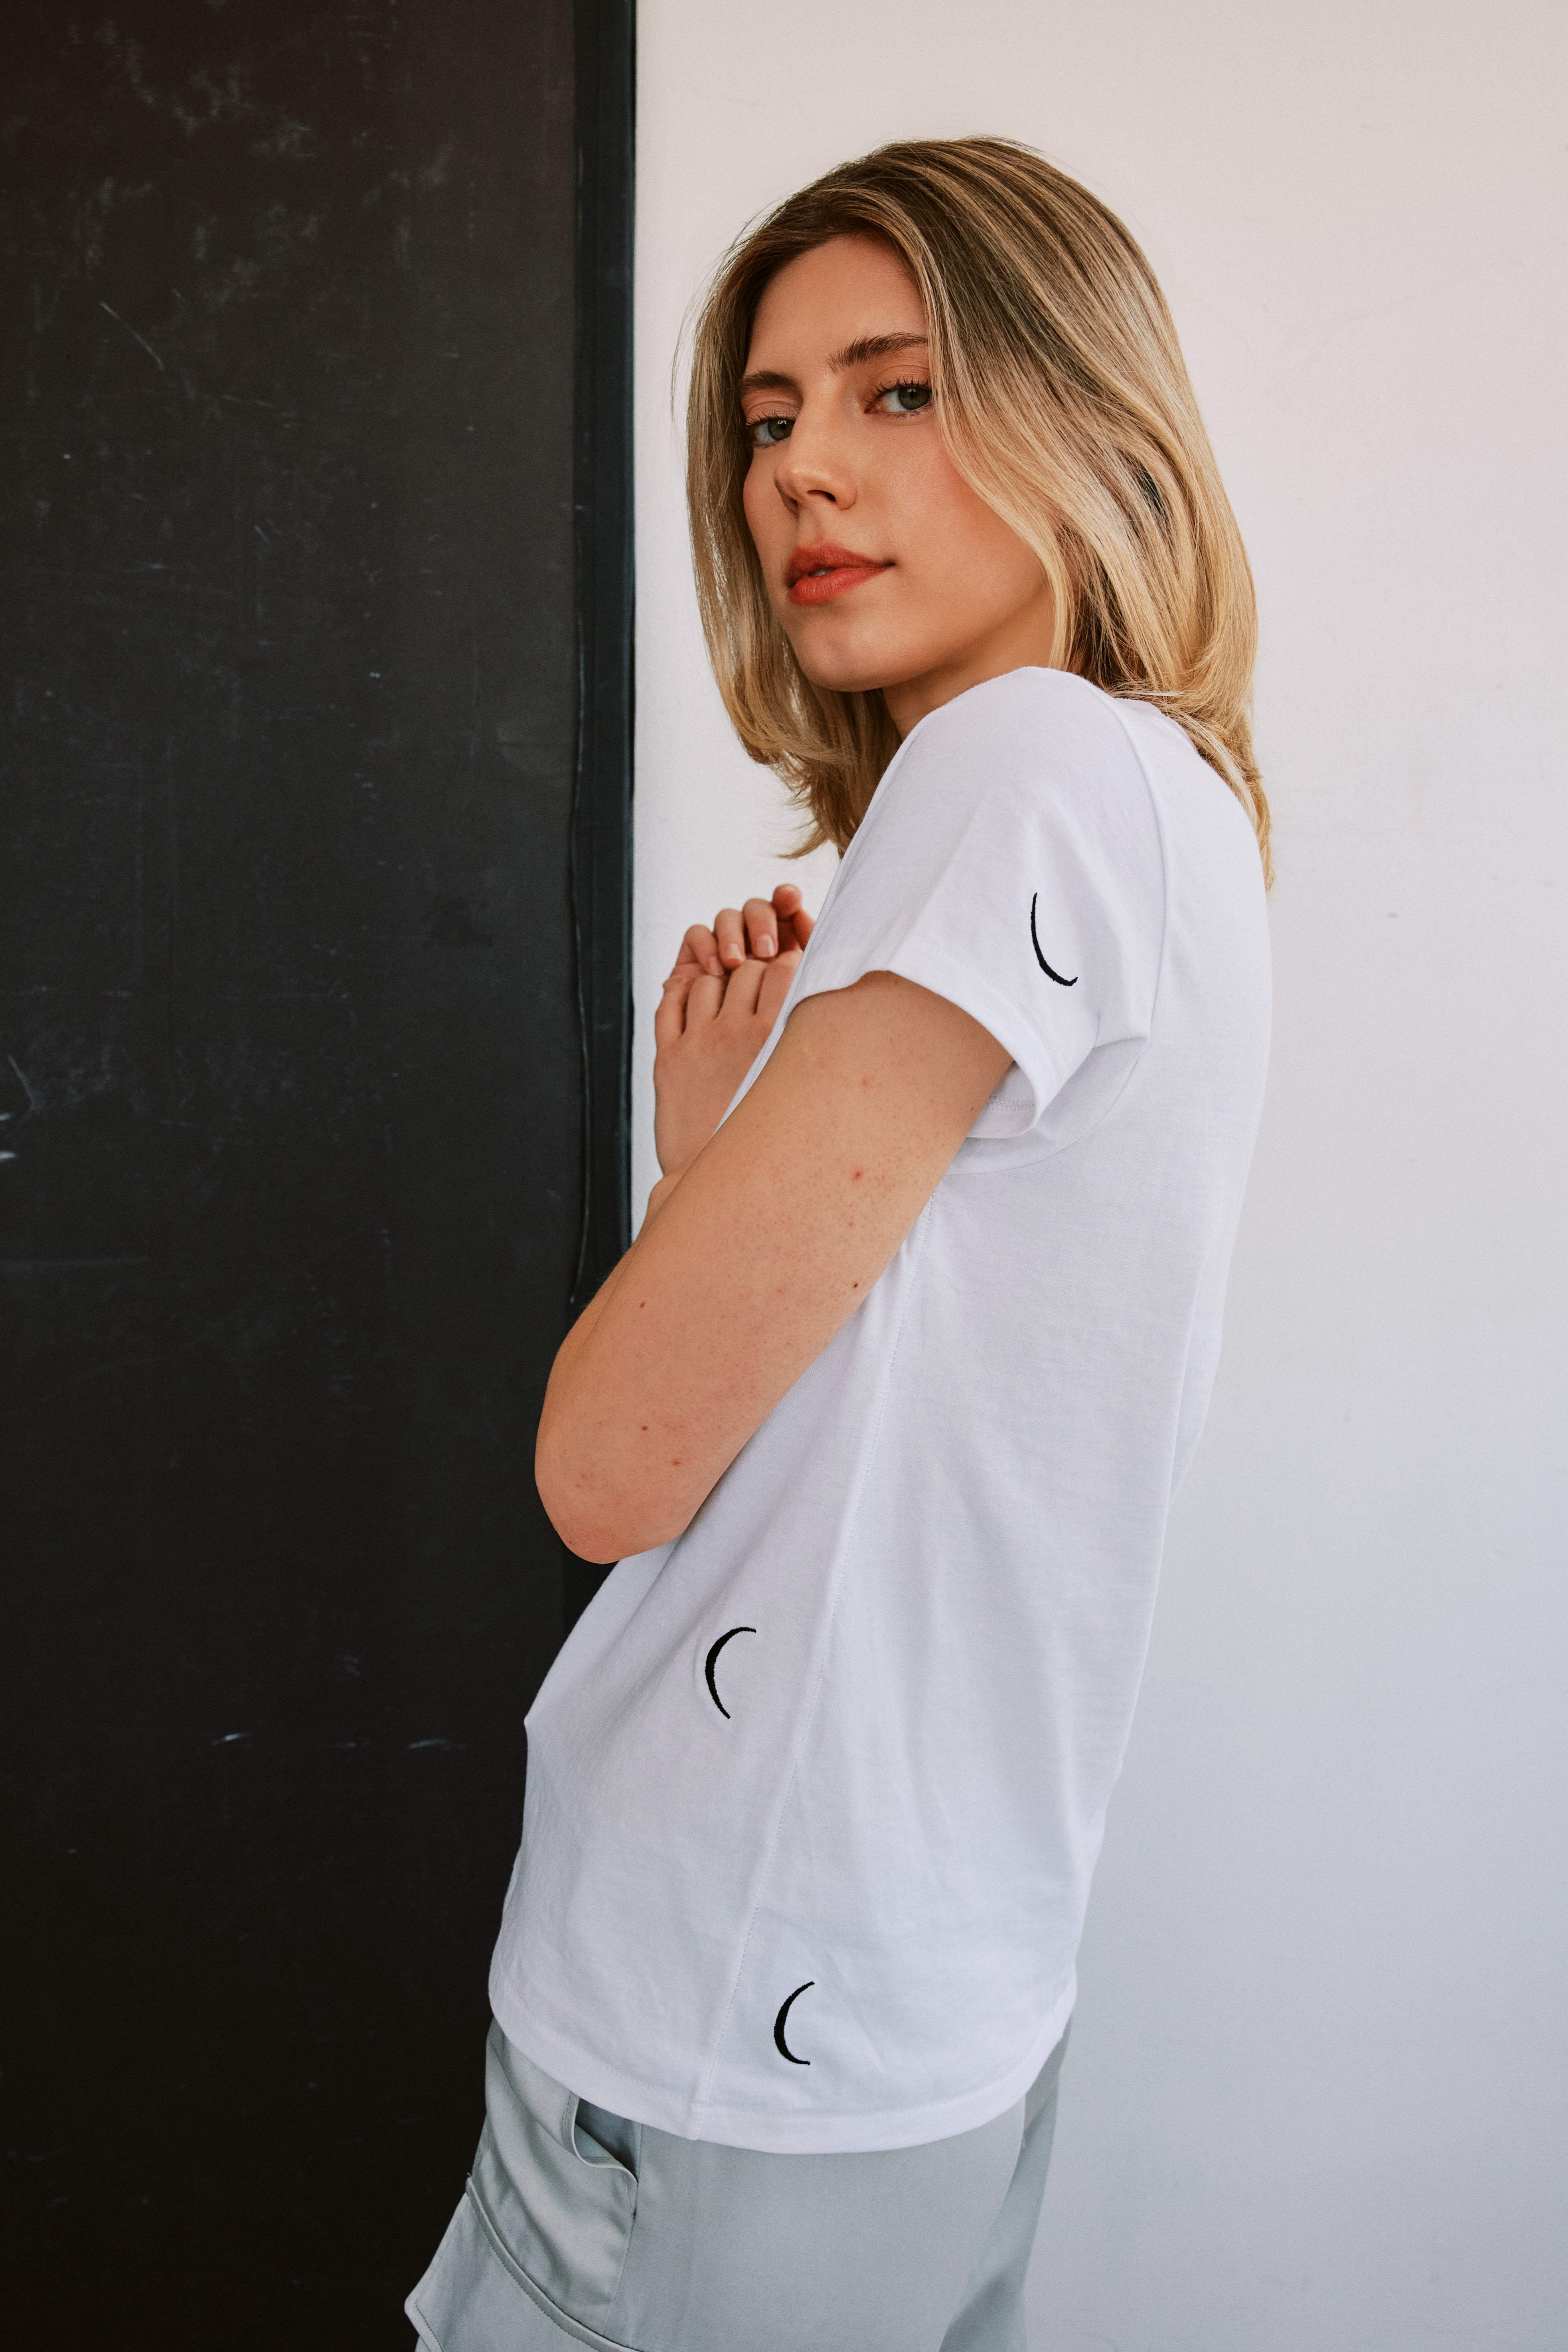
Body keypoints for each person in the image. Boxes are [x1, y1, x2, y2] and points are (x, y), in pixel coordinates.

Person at [408, 136, 1272, 2352]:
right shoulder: (1168, 803)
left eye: (898, 391)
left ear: (1085, 406)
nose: (807, 470)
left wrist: (695, 1185)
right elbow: (889, 1415)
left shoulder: (1013, 773)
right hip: (917, 2000)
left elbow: (611, 1466)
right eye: (774, 417)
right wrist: (728, 1159)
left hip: (723, 2014)